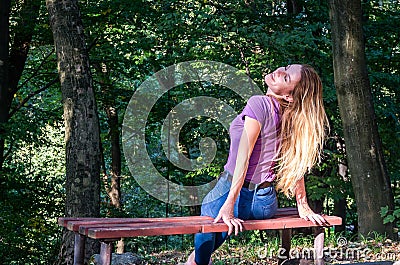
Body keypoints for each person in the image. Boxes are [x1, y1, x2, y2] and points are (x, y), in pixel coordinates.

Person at [183, 64, 330, 265]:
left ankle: (196, 262)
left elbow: (243, 159)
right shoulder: (291, 118)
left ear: (289, 96)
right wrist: (302, 205)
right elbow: (296, 163)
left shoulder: (259, 103)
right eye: (285, 68)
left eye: (286, 77)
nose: (279, 71)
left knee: (208, 223)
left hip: (231, 190)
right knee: (220, 221)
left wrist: (229, 204)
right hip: (263, 204)